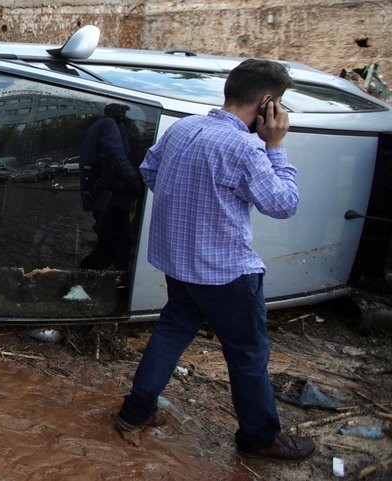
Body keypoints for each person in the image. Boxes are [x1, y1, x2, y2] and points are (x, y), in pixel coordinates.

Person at [113, 59, 316, 462]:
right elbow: (284, 204)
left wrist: (192, 202)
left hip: (180, 264)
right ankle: (259, 438)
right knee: (248, 356)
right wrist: (275, 146)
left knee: (171, 332)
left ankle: (134, 413)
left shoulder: (182, 128)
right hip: (226, 273)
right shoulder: (245, 147)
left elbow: (149, 170)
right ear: (267, 103)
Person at [78, 103, 142, 270]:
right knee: (115, 247)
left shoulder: (96, 126)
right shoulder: (108, 125)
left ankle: (81, 284)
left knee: (110, 244)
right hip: (111, 198)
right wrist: (134, 180)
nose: (124, 115)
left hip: (101, 196)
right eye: (122, 111)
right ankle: (76, 285)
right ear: (115, 112)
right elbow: (115, 155)